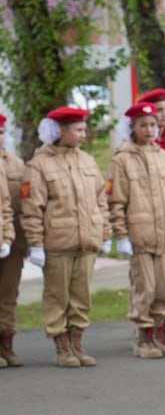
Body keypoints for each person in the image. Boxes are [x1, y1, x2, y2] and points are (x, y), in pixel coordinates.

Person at [21, 106, 109, 368]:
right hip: (58, 243)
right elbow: (32, 208)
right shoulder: (39, 165)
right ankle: (61, 345)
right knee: (57, 295)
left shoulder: (88, 161)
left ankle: (77, 342)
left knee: (82, 295)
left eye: (84, 129)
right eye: (78, 130)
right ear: (60, 131)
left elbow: (100, 200)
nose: (84, 134)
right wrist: (35, 243)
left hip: (86, 240)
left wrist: (104, 232)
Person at [108, 102, 165, 360]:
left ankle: (158, 335)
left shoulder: (164, 157)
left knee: (164, 288)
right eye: (143, 125)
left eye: (153, 125)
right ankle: (143, 338)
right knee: (145, 288)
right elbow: (116, 200)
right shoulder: (122, 160)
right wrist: (121, 234)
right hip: (140, 235)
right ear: (132, 128)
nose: (150, 129)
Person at [0, 113, 27, 367]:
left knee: (8, 294)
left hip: (13, 242)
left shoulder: (17, 165)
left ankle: (6, 344)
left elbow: (22, 204)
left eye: (0, 132)